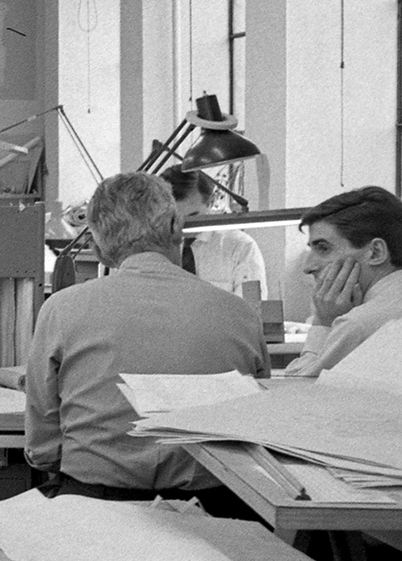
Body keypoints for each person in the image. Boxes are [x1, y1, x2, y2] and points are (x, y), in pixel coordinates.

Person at [25, 172, 268, 513]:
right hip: (213, 508)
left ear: (99, 246)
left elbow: (43, 447)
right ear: (174, 226)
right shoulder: (240, 314)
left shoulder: (61, 310)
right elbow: (260, 425)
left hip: (94, 504)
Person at [282, 186, 402, 377]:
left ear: (376, 252)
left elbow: (297, 388)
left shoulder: (357, 325)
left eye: (323, 248)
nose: (308, 266)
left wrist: (323, 321)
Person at [161, 167, 267, 298]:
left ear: (211, 202)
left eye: (192, 216)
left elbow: (252, 307)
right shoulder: (155, 245)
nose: (182, 226)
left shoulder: (241, 247)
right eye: (174, 217)